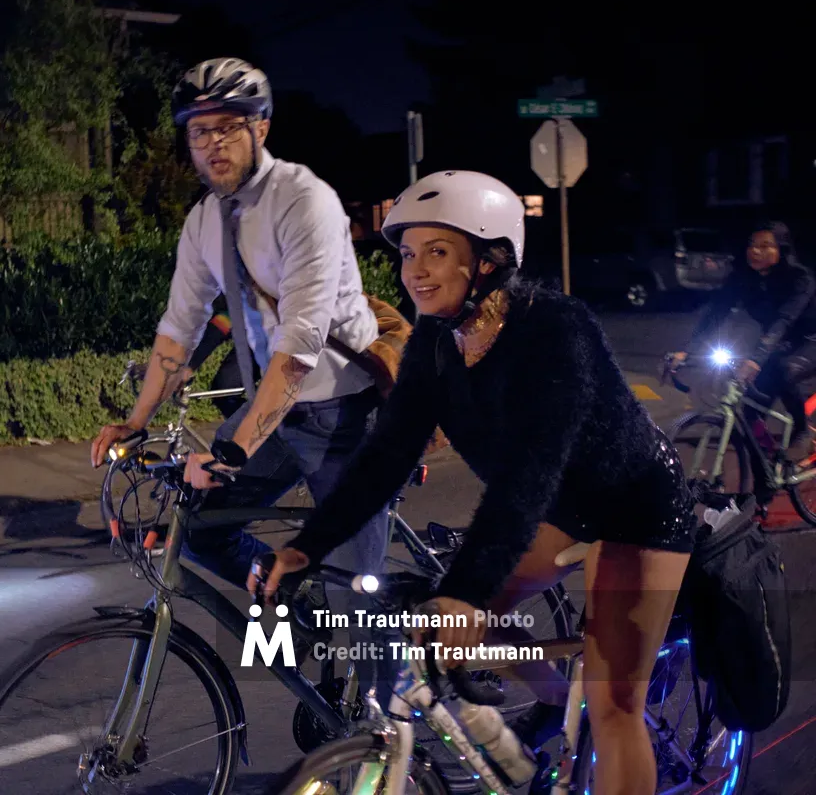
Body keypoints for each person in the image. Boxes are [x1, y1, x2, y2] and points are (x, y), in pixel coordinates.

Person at [249, 170, 697, 795]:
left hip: (636, 509)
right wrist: (307, 546)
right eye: (409, 254)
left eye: (437, 252)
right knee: (454, 625)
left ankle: (594, 713)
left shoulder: (556, 330)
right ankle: (556, 705)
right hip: (561, 507)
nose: (415, 271)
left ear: (489, 261)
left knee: (613, 703)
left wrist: (465, 591)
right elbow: (387, 456)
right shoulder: (436, 341)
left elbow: (526, 477)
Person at [89, 58, 394, 689]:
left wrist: (233, 449)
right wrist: (136, 421)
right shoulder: (205, 219)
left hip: (345, 414)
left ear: (262, 127)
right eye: (199, 131)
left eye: (228, 126)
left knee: (357, 599)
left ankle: (386, 720)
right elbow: (180, 326)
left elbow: (300, 345)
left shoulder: (305, 201)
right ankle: (297, 616)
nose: (213, 143)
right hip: (275, 414)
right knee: (199, 529)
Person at [669, 220, 816, 462]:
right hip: (777, 343)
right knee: (750, 412)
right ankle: (767, 469)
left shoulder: (800, 279)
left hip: (809, 341)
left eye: (765, 246)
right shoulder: (743, 278)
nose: (755, 251)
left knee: (785, 370)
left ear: (781, 250)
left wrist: (756, 359)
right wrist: (687, 351)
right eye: (752, 244)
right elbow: (715, 314)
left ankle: (803, 432)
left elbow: (784, 319)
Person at [184, 294, 259, 419]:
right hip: (255, 339)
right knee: (223, 391)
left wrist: (189, 367)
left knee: (225, 390)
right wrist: (187, 365)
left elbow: (216, 331)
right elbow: (214, 333)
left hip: (276, 338)